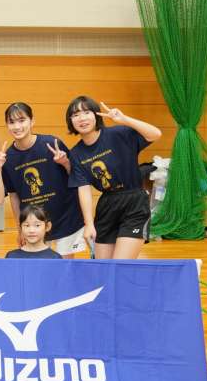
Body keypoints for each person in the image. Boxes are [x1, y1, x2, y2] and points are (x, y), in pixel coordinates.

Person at [66, 96, 161, 260]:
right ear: (70, 121)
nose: (81, 118)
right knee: (103, 268)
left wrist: (125, 120)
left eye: (86, 112)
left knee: (120, 264)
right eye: (75, 115)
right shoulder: (76, 154)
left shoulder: (119, 134)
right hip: (107, 205)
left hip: (134, 203)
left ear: (96, 115)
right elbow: (83, 189)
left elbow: (155, 134)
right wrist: (89, 224)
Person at [0, 102, 87, 259]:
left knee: (64, 267)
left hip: (65, 219)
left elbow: (78, 175)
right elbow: (14, 196)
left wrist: (65, 163)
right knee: (40, 267)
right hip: (34, 225)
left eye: (22, 120)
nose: (17, 126)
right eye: (12, 122)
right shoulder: (7, 158)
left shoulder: (51, 143)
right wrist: (20, 229)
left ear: (32, 121)